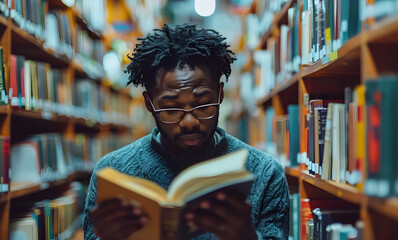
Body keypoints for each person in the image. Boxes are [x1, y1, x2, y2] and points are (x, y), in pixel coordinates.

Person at [83, 23, 289, 240]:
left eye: (202, 105)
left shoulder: (265, 174)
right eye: (171, 108)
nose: (189, 122)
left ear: (220, 95)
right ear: (149, 103)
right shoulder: (113, 173)